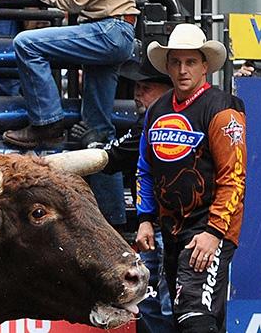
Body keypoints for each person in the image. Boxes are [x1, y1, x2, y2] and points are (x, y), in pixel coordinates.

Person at [2, 0, 136, 226]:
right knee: (99, 132)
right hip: (118, 29)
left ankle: (46, 120)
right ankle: (114, 221)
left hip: (106, 30)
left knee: (26, 43)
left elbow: (76, 0)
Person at [137, 23, 247, 333]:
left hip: (209, 228)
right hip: (170, 231)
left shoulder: (222, 108)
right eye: (176, 62)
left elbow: (234, 176)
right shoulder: (156, 109)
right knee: (191, 315)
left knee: (193, 314)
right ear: (168, 66)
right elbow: (145, 168)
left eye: (191, 62)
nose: (183, 70)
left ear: (205, 67)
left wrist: (214, 231)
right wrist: (146, 218)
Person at [89, 59, 175, 333]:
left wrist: (89, 145)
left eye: (146, 87)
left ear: (165, 91)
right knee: (150, 302)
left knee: (169, 303)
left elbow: (113, 156)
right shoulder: (147, 122)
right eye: (137, 87)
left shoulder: (159, 123)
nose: (138, 93)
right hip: (154, 225)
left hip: (174, 228)